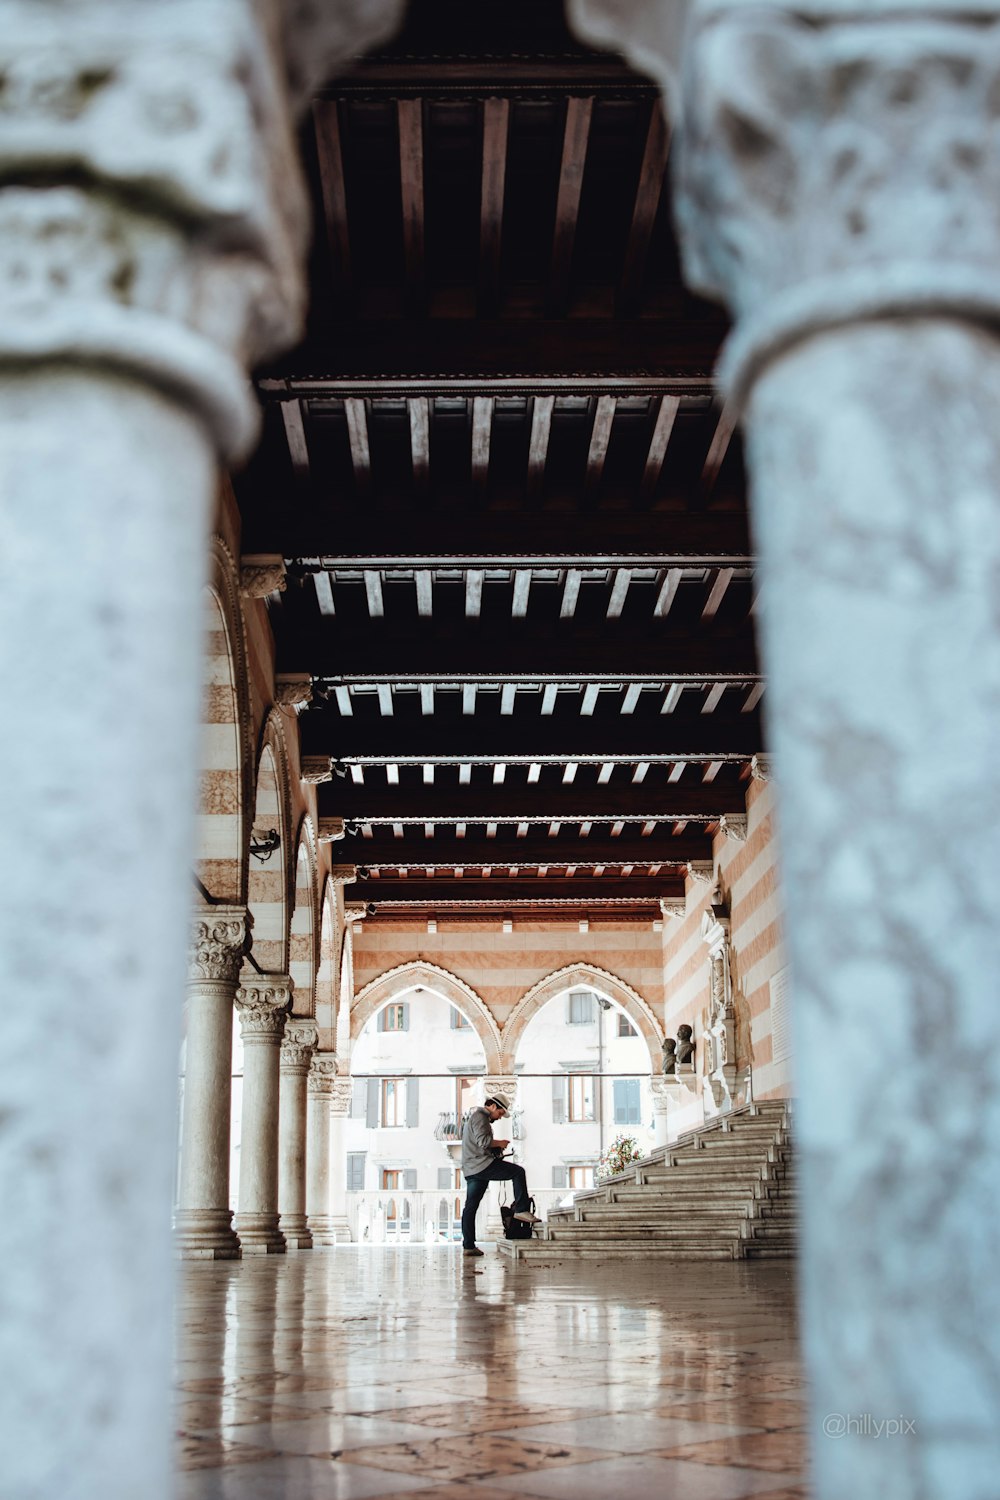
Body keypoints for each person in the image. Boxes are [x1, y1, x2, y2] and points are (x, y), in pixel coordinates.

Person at [460, 1093, 540, 1257]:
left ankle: (468, 1245)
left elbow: (479, 1144)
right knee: (518, 1172)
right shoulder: (481, 1116)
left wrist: (495, 1150)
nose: (500, 1117)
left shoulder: (476, 1118)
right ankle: (521, 1210)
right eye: (501, 1113)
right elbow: (483, 1141)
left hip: (472, 1169)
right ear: (493, 1106)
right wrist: (500, 1143)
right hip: (481, 1166)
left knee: (470, 1208)